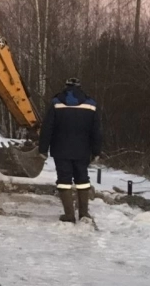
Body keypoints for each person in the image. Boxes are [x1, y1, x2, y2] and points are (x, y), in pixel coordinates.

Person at [38, 77, 102, 223]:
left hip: (61, 149)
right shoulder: (91, 105)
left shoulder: (56, 103)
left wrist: (43, 149)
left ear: (65, 87)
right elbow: (96, 131)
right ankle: (84, 213)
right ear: (80, 87)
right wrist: (96, 151)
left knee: (64, 180)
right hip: (83, 150)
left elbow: (47, 128)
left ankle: (69, 215)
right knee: (83, 180)